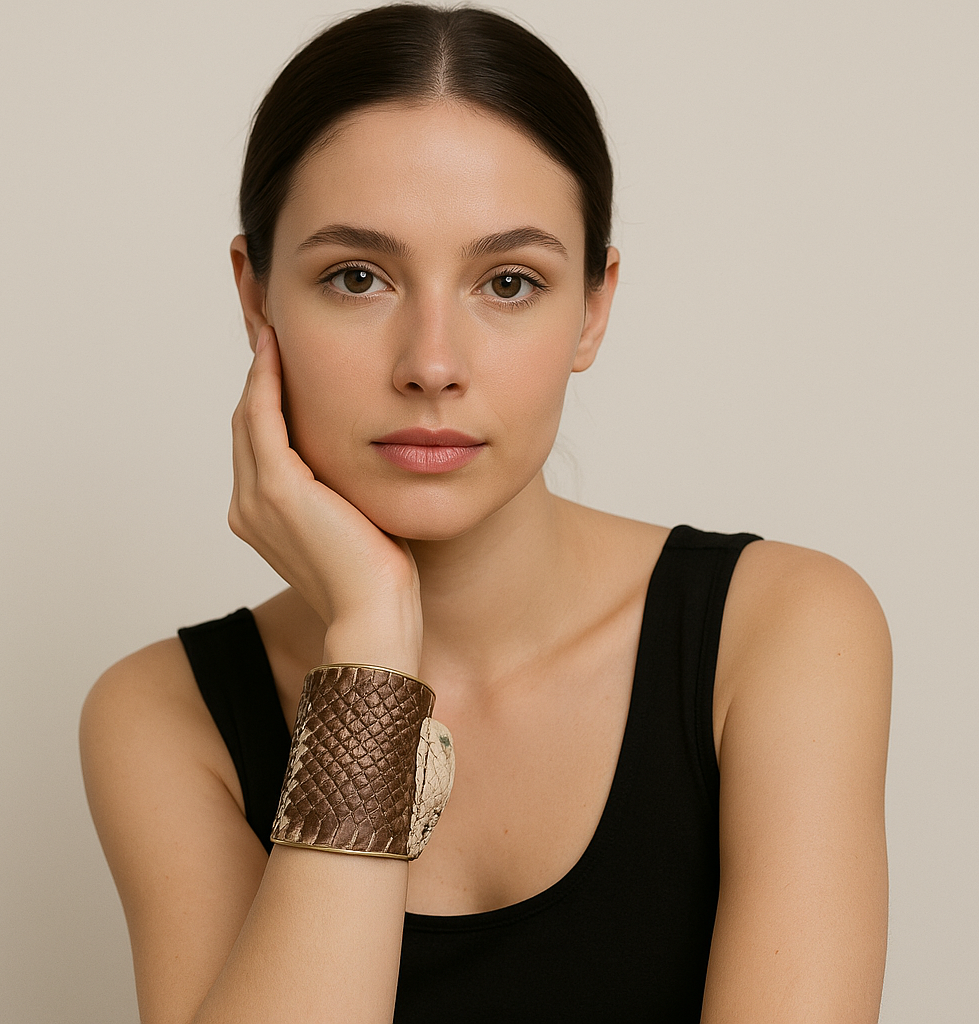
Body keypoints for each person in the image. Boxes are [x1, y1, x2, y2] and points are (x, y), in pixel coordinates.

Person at [80, 5, 892, 1022]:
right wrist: (373, 651)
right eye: (357, 277)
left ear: (593, 307)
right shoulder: (163, 715)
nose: (430, 363)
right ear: (255, 296)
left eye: (508, 281)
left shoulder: (780, 629)